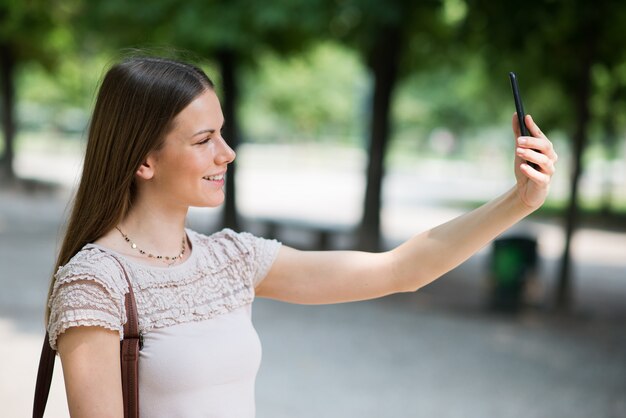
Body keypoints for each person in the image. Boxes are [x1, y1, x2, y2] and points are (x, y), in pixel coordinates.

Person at [46, 55, 557, 418]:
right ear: (143, 160)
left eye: (223, 133)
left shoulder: (232, 259)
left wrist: (519, 201)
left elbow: (402, 269)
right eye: (204, 140)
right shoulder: (94, 283)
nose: (227, 153)